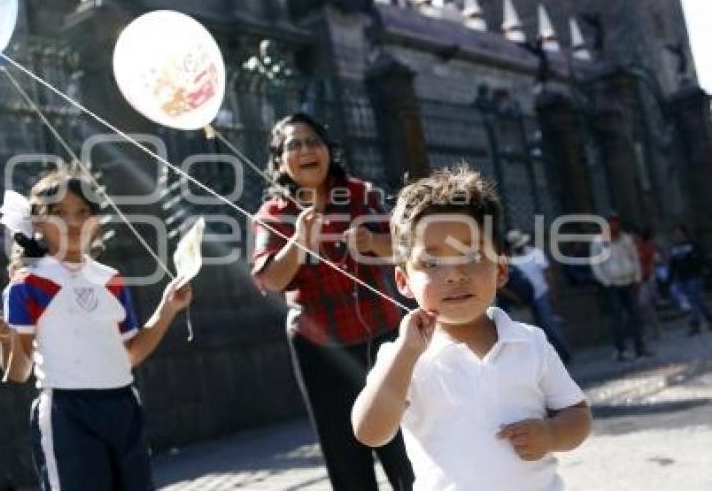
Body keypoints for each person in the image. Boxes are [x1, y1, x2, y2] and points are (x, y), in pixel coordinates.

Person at [351, 164, 591, 491]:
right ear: (404, 281)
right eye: (431, 263)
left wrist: (552, 434)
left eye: (472, 254)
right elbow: (370, 432)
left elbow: (577, 414)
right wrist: (405, 356)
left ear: (501, 270)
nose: (454, 274)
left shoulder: (530, 342)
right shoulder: (401, 357)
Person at [0, 166, 192, 491]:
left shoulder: (111, 278)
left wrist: (168, 308)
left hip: (123, 406)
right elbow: (19, 373)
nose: (75, 222)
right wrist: (7, 341)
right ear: (38, 223)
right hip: (68, 413)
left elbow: (131, 354)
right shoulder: (28, 284)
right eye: (60, 214)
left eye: (83, 212)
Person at [251, 113, 414, 490]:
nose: (306, 150)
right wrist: (297, 242)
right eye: (294, 144)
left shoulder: (363, 195)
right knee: (346, 458)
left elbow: (407, 248)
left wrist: (373, 243)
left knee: (405, 446)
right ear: (279, 161)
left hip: (383, 337)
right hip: (319, 350)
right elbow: (270, 279)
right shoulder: (273, 215)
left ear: (328, 151)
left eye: (313, 141)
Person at [506, 229, 572, 363]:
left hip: (541, 294)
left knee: (549, 325)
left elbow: (547, 273)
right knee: (532, 331)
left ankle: (563, 354)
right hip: (525, 299)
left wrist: (553, 292)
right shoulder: (511, 260)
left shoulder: (535, 253)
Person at [590, 214, 650, 361]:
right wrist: (605, 281)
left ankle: (639, 347)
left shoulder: (626, 239)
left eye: (615, 222)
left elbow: (634, 258)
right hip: (612, 284)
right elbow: (595, 264)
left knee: (635, 316)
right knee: (616, 318)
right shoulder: (598, 242)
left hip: (629, 282)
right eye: (610, 223)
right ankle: (621, 349)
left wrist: (637, 277)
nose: (613, 226)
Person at [668, 224, 712, 335]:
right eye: (675, 234)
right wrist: (671, 277)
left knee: (693, 300)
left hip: (695, 276)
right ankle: (709, 318)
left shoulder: (693, 245)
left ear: (684, 234)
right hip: (683, 278)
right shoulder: (675, 248)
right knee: (698, 300)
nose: (677, 236)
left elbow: (702, 258)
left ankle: (695, 324)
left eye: (679, 233)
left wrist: (705, 269)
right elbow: (673, 264)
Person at [635, 228, 662, 342]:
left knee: (644, 304)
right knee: (645, 307)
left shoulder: (647, 246)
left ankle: (653, 329)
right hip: (635, 281)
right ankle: (653, 329)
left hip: (647, 279)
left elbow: (656, 259)